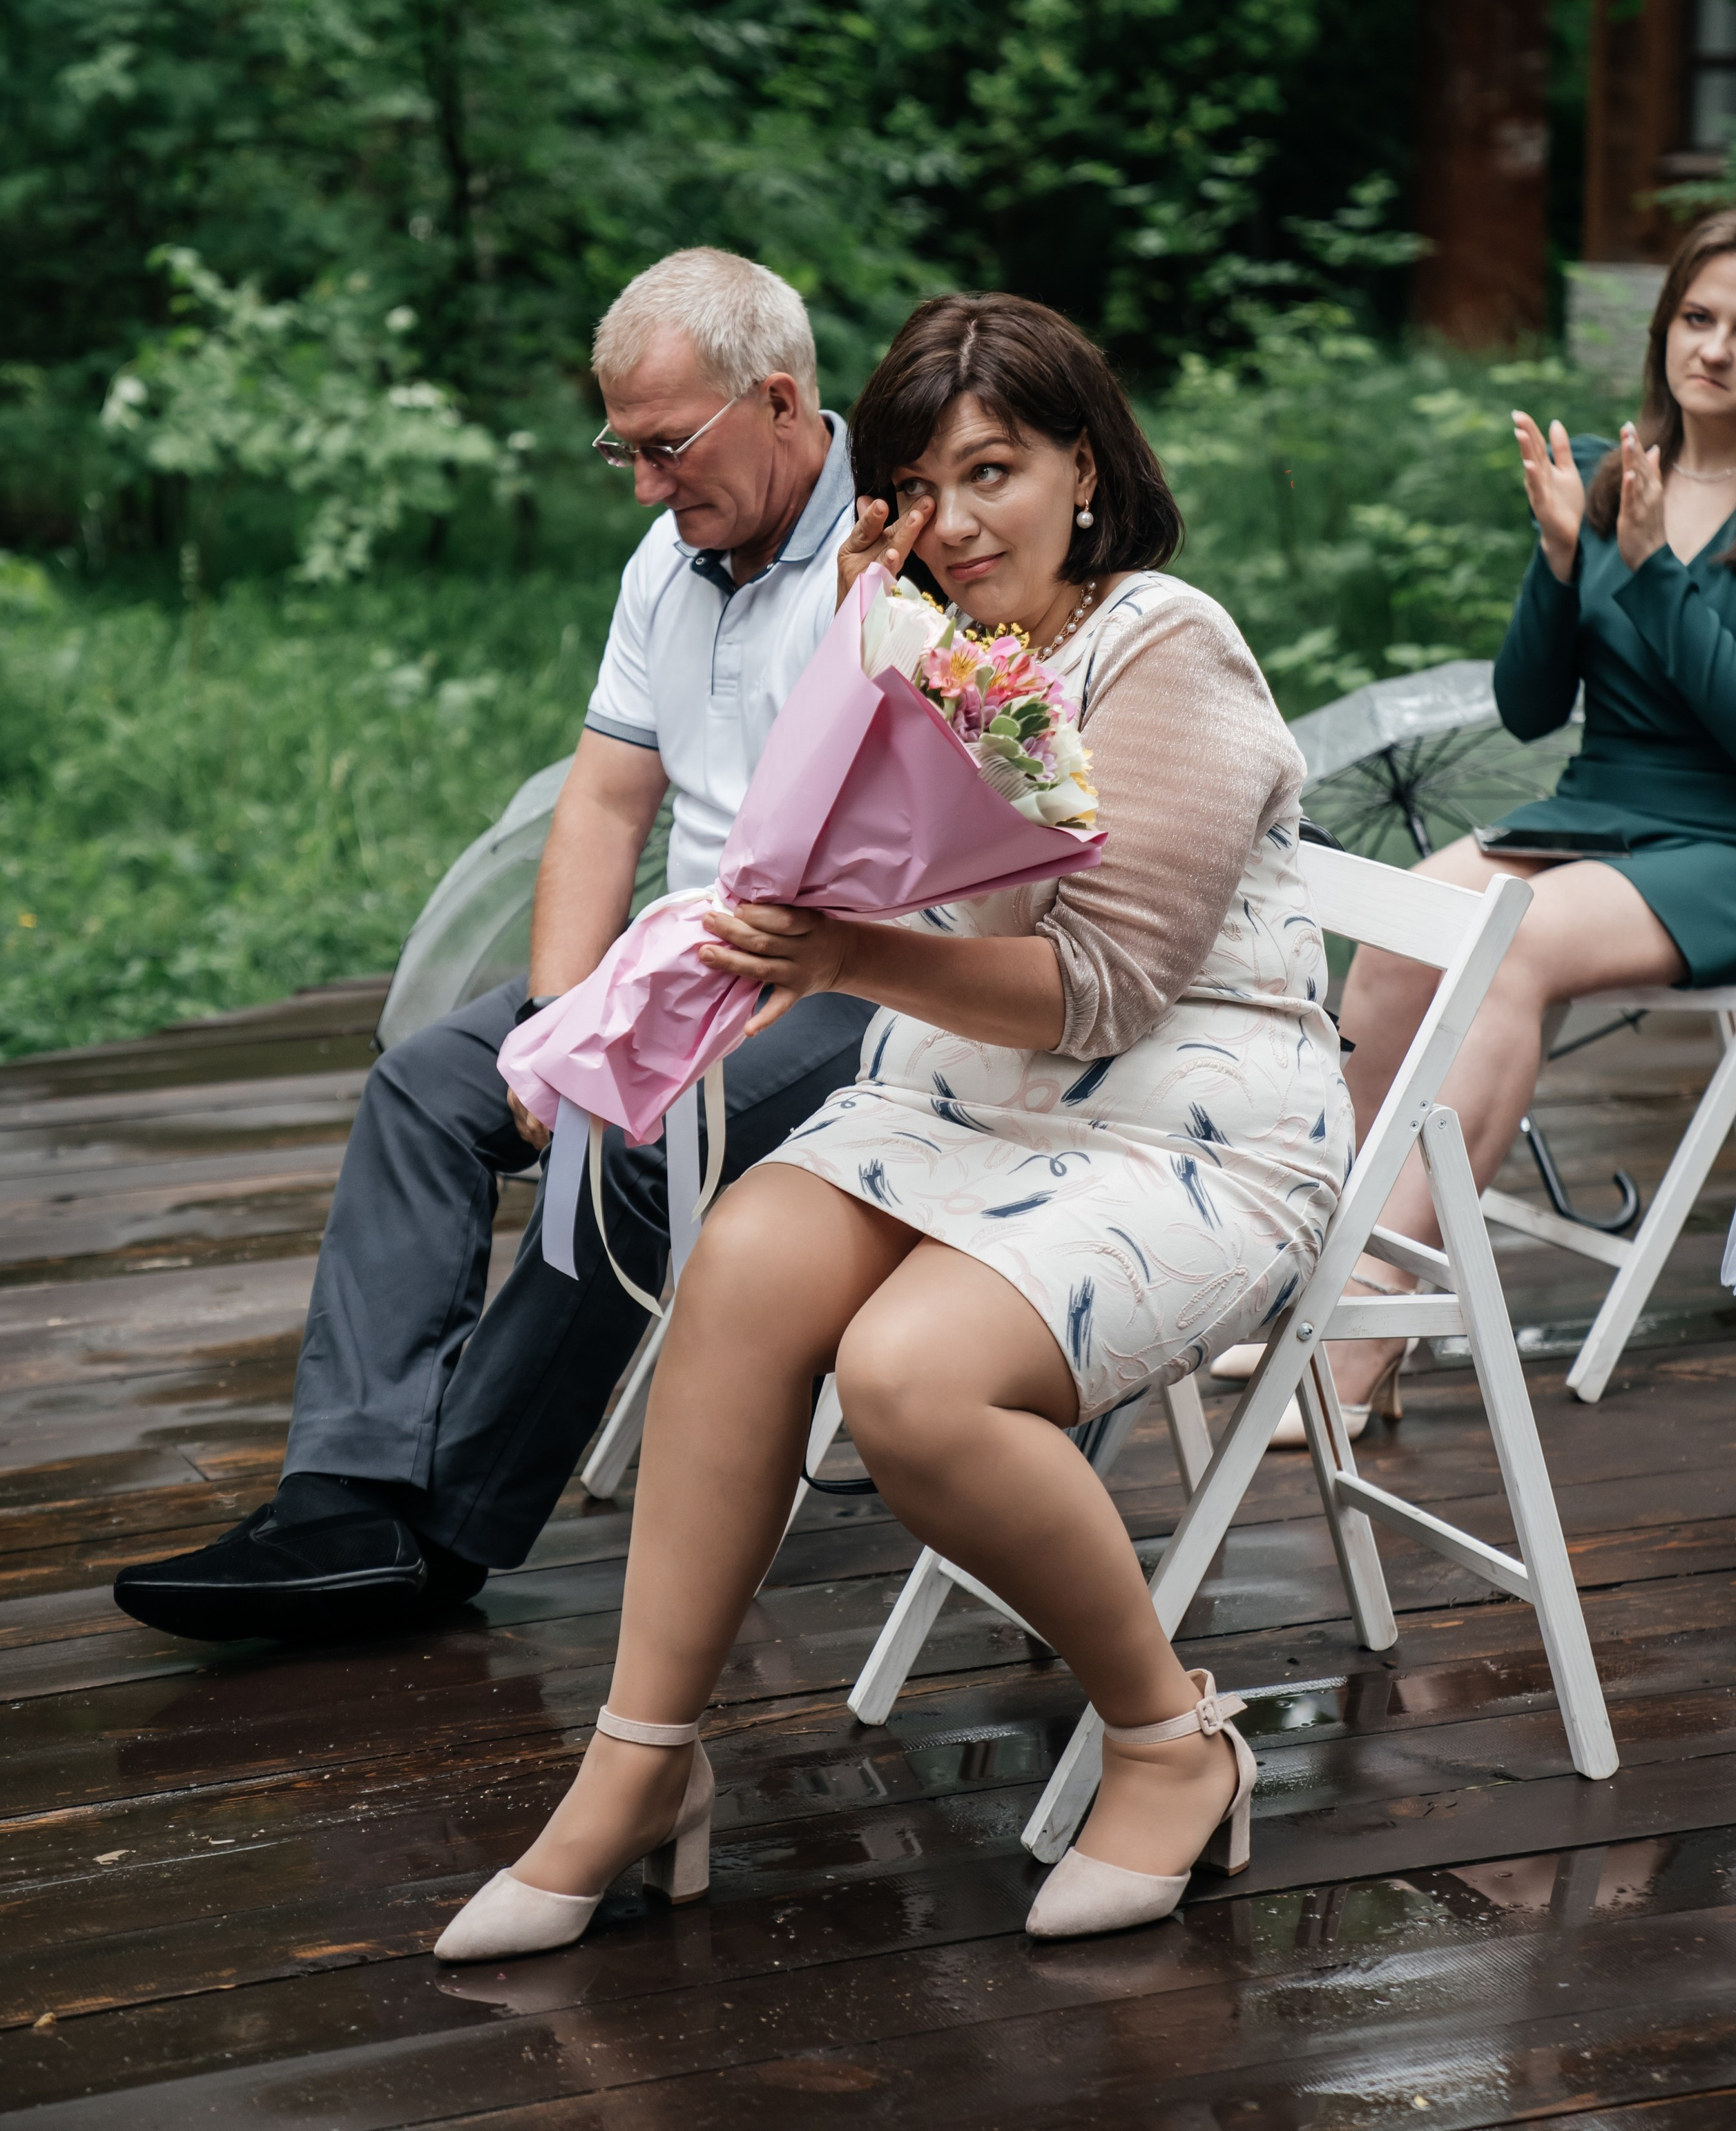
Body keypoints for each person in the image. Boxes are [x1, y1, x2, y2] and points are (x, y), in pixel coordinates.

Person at [432, 291, 1353, 1958]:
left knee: (911, 1379)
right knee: (745, 1260)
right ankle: (637, 1767)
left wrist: (843, 950)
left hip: (1187, 1128)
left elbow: (1108, 991)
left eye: (995, 470)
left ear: (1085, 464)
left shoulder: (1170, 645)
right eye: (922, 485)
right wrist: (861, 673)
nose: (958, 519)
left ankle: (1167, 1742)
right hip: (967, 1100)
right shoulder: (930, 645)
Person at [113, 248, 874, 1640]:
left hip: (864, 984)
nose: (642, 488)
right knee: (430, 1088)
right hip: (682, 961)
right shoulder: (673, 556)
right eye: (619, 450)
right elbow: (602, 795)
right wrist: (558, 1021)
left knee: (642, 1139)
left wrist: (610, 1065)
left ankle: (445, 1527)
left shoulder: (897, 557)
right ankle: (341, 1494)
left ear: (777, 401)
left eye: (663, 448)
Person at [1322, 207, 1736, 1420]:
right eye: (1698, 319)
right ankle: (1343, 1294)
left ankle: (1359, 1351)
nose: (1714, 348)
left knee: (1507, 953)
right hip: (1595, 810)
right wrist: (1563, 560)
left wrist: (1657, 573)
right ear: (1663, 331)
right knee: (1397, 938)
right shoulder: (1619, 477)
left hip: (1718, 839)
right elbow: (1526, 702)